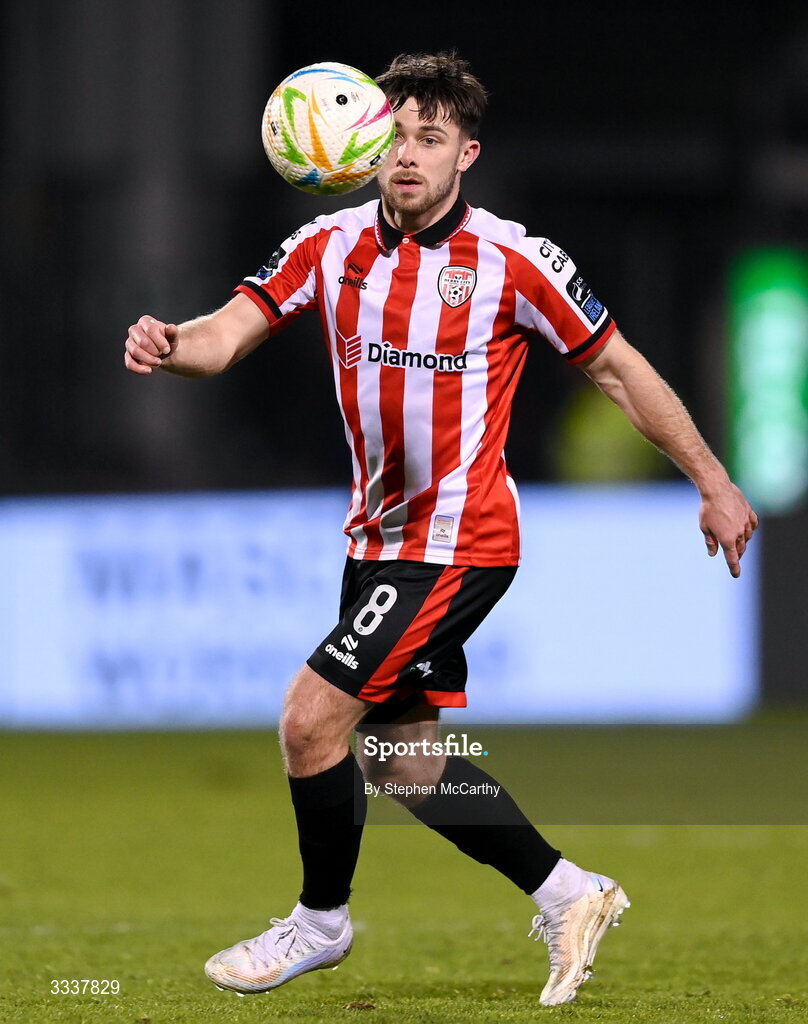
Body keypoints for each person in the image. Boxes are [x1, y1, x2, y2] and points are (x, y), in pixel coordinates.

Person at [124, 52, 758, 1007]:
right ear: (370, 147)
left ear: (467, 153)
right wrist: (171, 346)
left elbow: (621, 370)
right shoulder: (327, 244)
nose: (409, 155)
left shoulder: (513, 260)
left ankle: (320, 922)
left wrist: (713, 481)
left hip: (461, 543)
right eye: (397, 136)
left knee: (310, 718)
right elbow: (224, 335)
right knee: (404, 761)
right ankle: (571, 892)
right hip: (377, 541)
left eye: (431, 138)